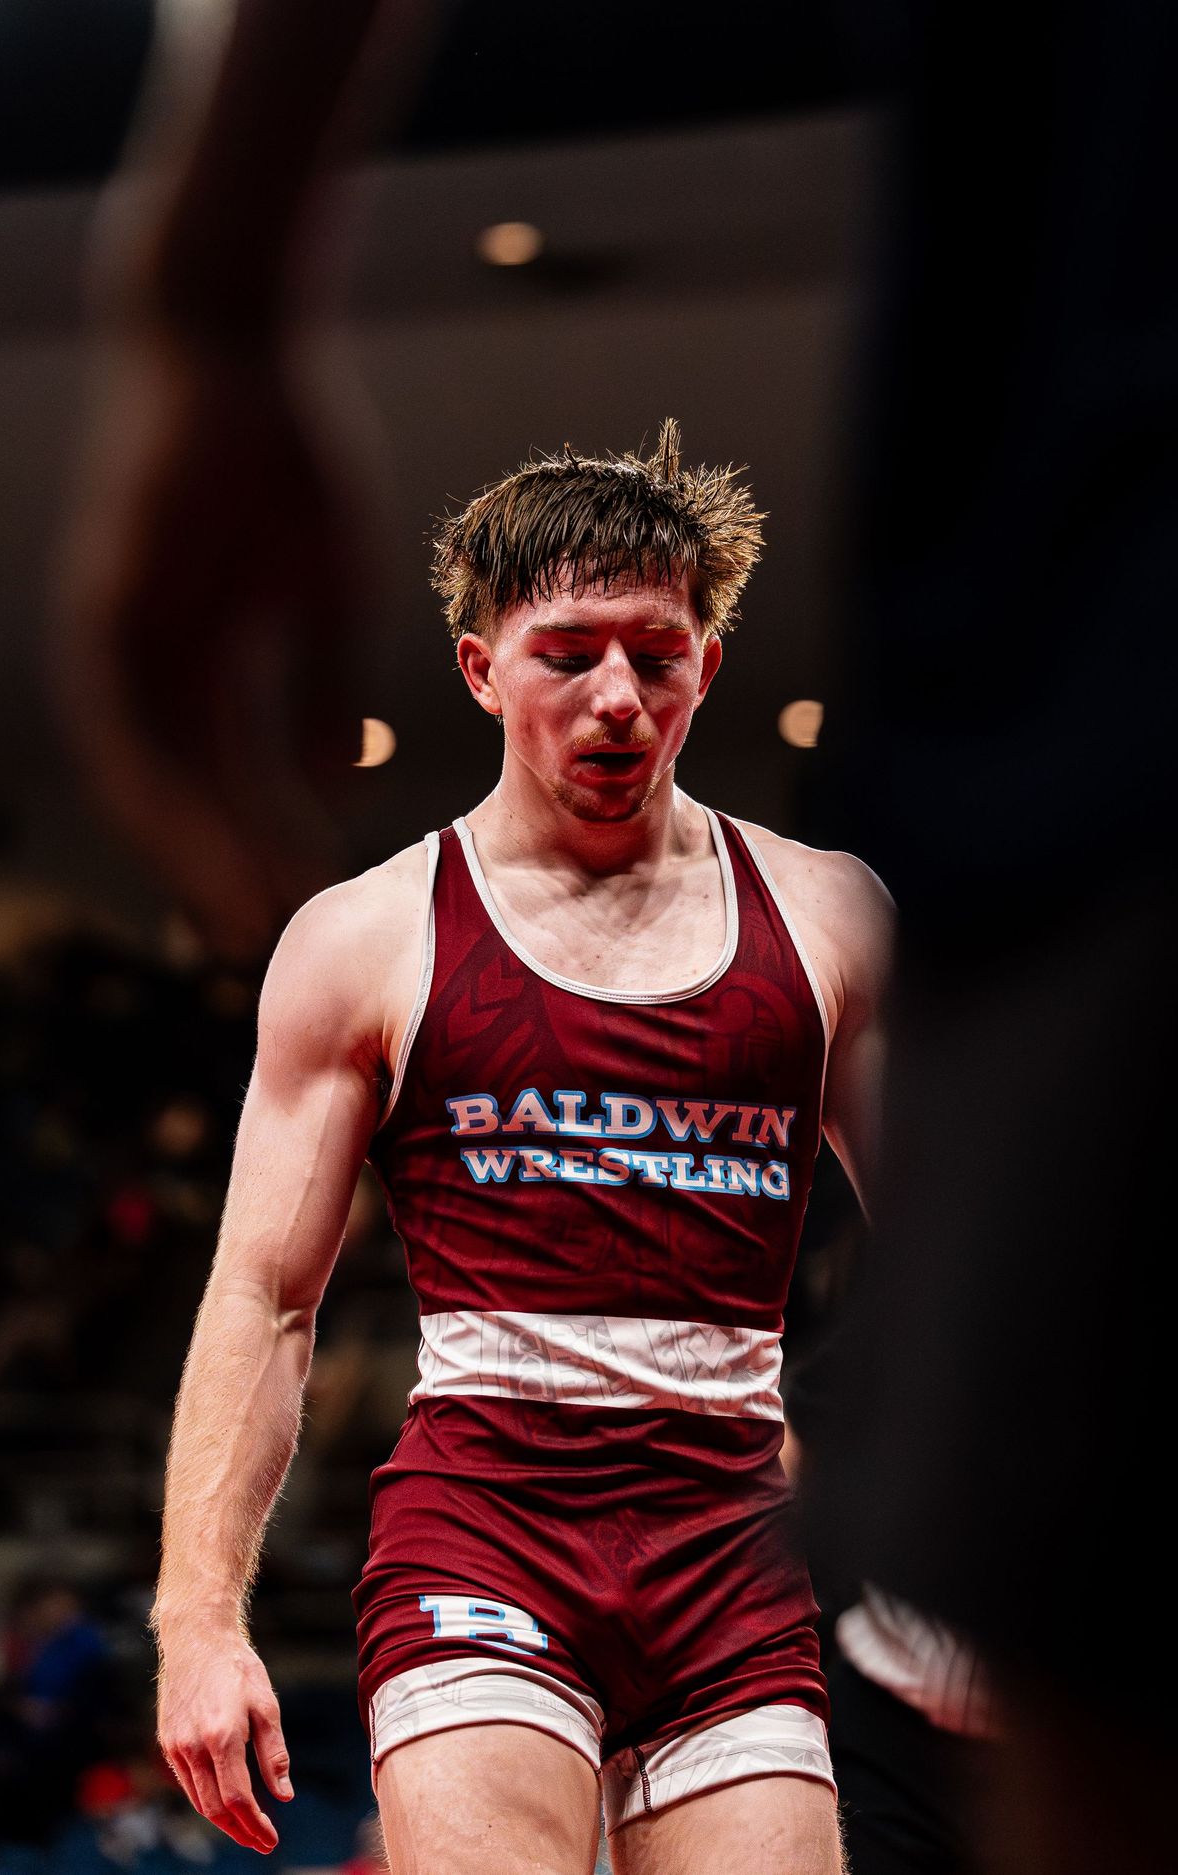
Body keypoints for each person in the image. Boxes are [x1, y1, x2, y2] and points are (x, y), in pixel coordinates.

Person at [151, 423, 894, 1874]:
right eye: (567, 655)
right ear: (481, 669)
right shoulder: (367, 938)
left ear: (707, 668)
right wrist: (197, 1624)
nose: (618, 697)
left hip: (733, 1549)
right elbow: (265, 1296)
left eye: (657, 656)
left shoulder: (829, 918)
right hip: (488, 1530)